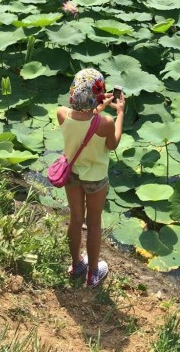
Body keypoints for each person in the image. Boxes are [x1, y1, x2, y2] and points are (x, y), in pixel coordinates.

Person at [56, 68, 125, 288]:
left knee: (76, 218)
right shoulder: (105, 122)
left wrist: (96, 106)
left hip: (72, 175)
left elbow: (82, 119)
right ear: (98, 93)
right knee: (94, 223)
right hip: (96, 179)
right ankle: (93, 273)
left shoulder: (62, 114)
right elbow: (113, 144)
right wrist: (120, 113)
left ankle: (76, 265)